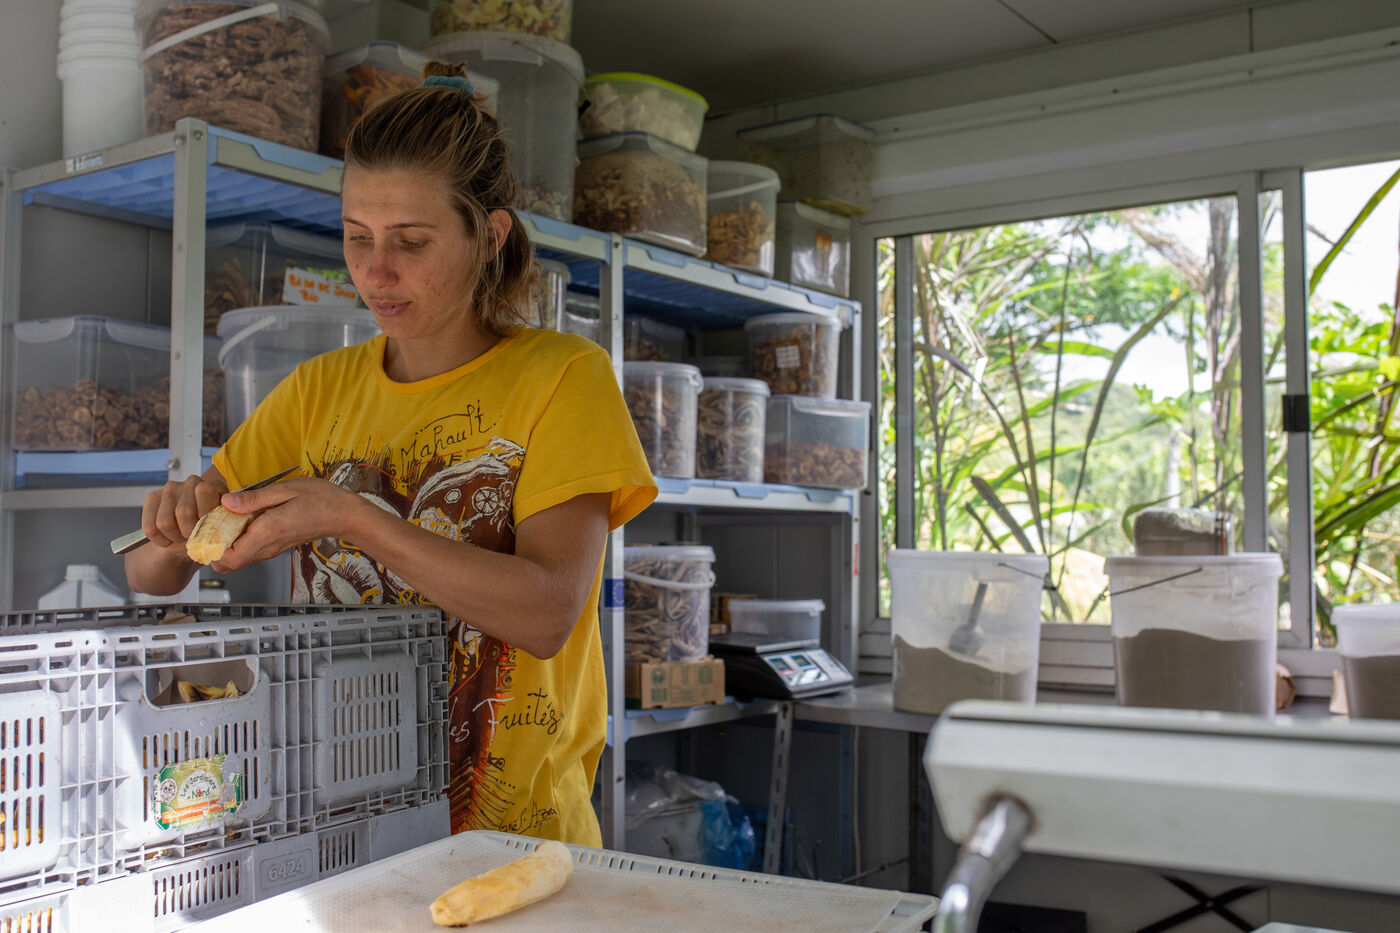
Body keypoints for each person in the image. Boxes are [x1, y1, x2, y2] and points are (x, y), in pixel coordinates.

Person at [125, 62, 657, 847]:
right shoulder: (317, 390)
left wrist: (351, 516)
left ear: (490, 236)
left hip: (512, 841)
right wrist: (173, 528)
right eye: (357, 237)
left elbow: (548, 612)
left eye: (411, 241)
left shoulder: (563, 378)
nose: (375, 272)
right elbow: (149, 573)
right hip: (336, 825)